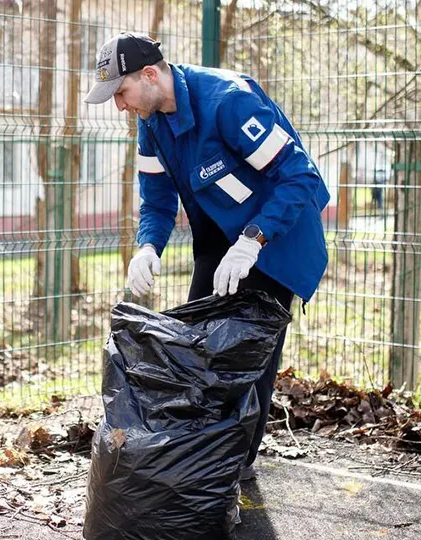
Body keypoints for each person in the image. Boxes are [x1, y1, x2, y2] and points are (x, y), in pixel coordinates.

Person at [85, 33, 329, 480]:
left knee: (247, 361)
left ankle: (234, 470)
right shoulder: (151, 124)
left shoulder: (229, 102)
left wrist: (254, 239)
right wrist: (147, 247)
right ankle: (202, 461)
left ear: (150, 75)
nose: (120, 106)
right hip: (219, 240)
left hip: (277, 237)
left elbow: (300, 177)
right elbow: (156, 201)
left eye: (121, 92)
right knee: (197, 349)